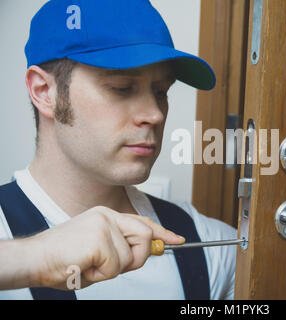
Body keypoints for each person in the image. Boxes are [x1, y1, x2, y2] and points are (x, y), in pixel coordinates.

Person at [0, 0, 236, 300]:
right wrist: (36, 257)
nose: (155, 114)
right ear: (45, 93)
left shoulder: (204, 244)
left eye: (160, 92)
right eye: (122, 88)